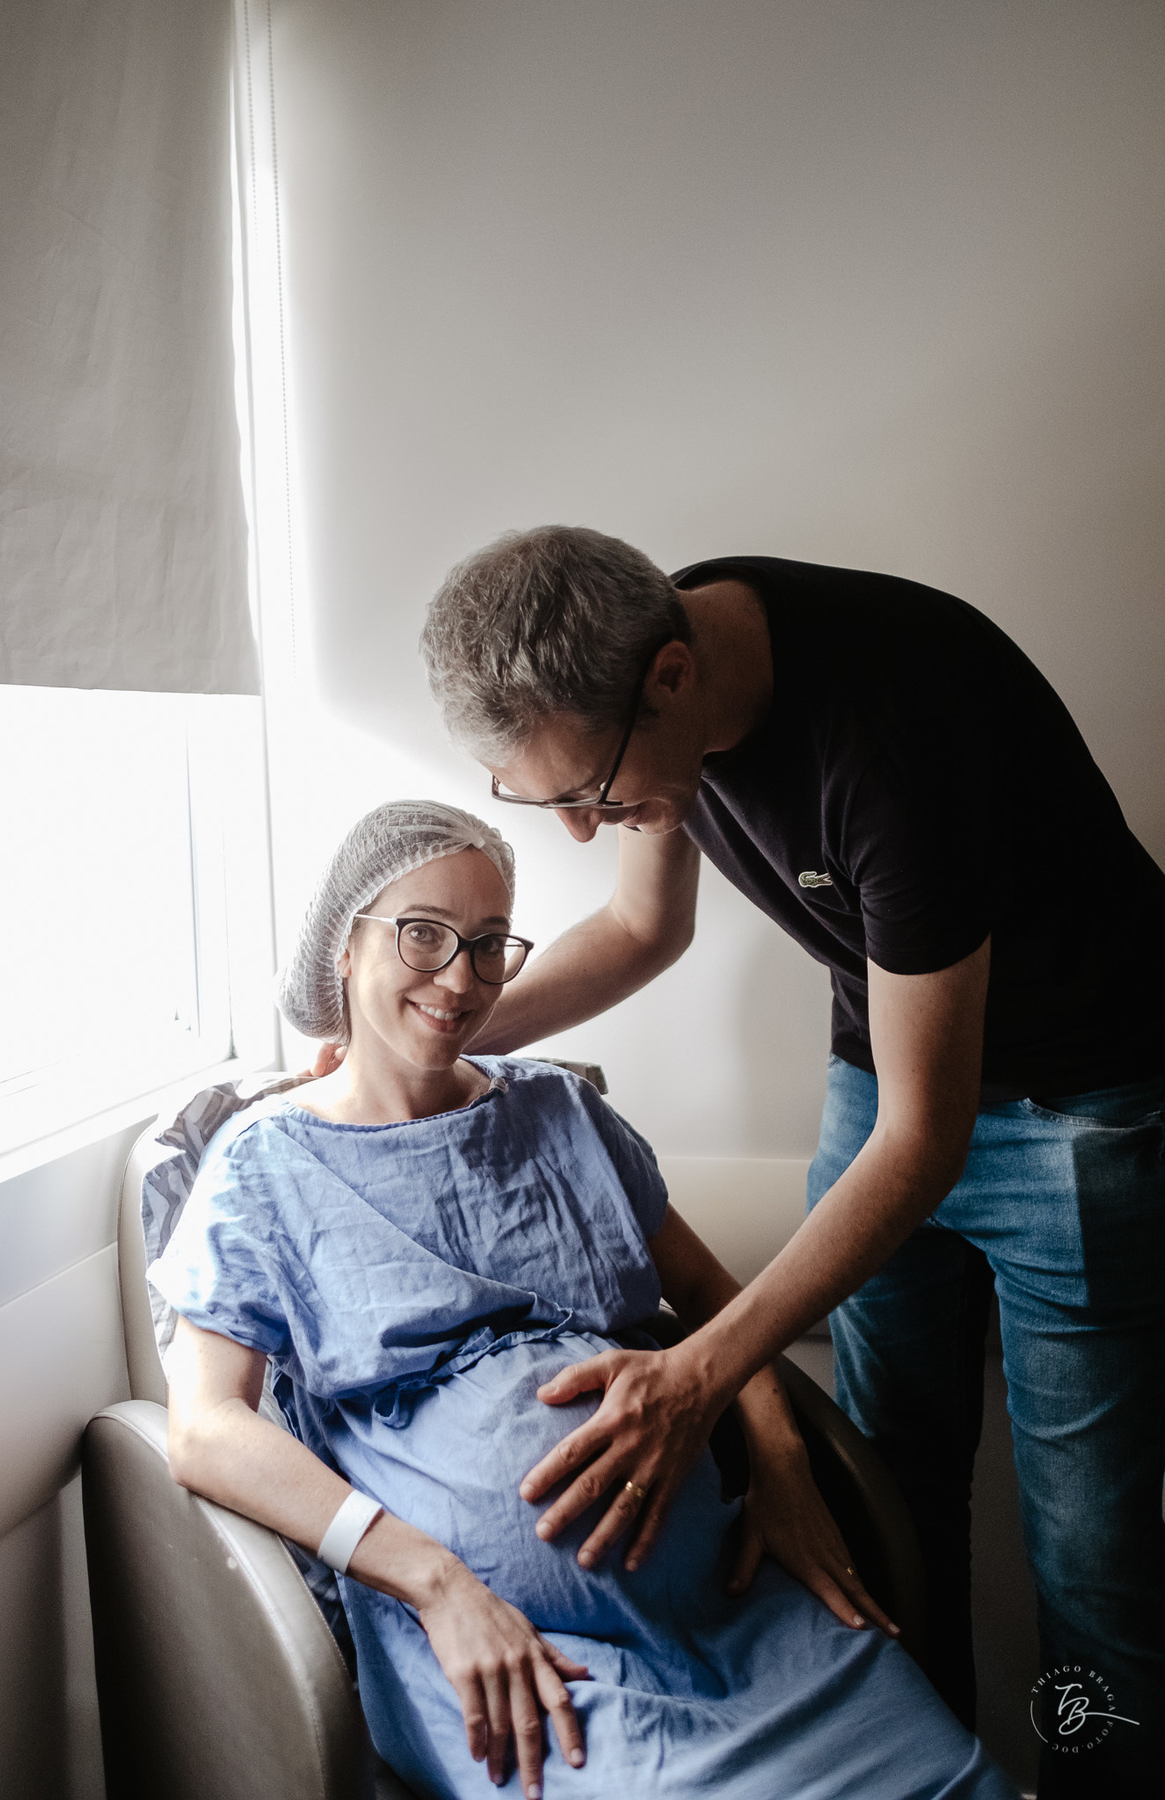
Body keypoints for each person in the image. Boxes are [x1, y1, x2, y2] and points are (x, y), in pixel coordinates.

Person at [417, 528, 1165, 1798]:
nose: (587, 830)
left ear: (671, 678)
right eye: (550, 806)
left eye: (590, 791)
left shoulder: (895, 728)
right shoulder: (646, 664)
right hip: (891, 1080)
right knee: (889, 1501)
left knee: (1093, 1569)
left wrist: (700, 1373)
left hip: (1077, 1109)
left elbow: (925, 1142)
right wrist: (439, 1031)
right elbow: (639, 926)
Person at [151, 800, 1018, 1800]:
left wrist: (783, 1466)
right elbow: (204, 1429)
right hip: (513, 1652)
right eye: (423, 934)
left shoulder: (559, 1111)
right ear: (344, 945)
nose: (460, 979)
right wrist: (435, 1582)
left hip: (735, 1609)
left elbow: (711, 1295)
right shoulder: (265, 1164)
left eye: (489, 944)